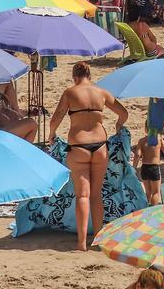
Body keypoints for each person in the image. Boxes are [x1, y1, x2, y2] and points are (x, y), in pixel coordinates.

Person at [48, 61, 129, 251]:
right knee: (96, 195)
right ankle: (98, 240)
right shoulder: (101, 92)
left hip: (78, 146)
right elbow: (123, 113)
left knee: (83, 195)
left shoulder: (70, 92)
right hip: (100, 146)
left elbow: (57, 116)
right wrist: (118, 126)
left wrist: (52, 134)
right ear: (90, 75)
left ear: (75, 77)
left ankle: (81, 243)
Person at [132, 132, 164, 205]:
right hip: (154, 167)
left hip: (144, 168)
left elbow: (137, 155)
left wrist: (134, 168)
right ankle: (153, 209)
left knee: (148, 192)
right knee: (156, 192)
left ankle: (146, 208)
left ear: (145, 129)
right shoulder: (159, 139)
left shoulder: (141, 141)